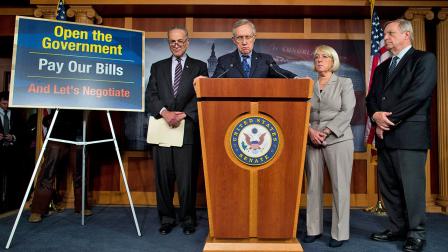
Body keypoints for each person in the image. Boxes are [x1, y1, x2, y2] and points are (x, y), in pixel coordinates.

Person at [366, 19, 436, 252]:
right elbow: (371, 98)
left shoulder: (424, 59)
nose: (385, 37)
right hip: (384, 136)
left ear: (406, 35)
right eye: (385, 33)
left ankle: (416, 233)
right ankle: (397, 228)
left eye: (390, 33)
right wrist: (375, 115)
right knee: (390, 187)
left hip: (408, 135)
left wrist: (388, 120)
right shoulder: (382, 67)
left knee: (411, 187)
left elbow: (418, 94)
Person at [146, 26, 208, 235]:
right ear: (168, 43)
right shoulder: (157, 67)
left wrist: (182, 114)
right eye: (172, 41)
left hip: (187, 129)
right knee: (163, 179)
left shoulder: (200, 67)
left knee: (186, 179)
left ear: (187, 42)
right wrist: (164, 112)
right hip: (162, 129)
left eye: (180, 41)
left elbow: (202, 96)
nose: (176, 44)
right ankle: (166, 219)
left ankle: (188, 219)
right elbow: (151, 95)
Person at [302, 45, 355, 248]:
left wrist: (327, 131)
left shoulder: (344, 82)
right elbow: (301, 111)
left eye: (324, 56)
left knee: (340, 187)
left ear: (333, 61)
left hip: (338, 140)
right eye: (316, 56)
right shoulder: (308, 85)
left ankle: (340, 233)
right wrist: (309, 131)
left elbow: (347, 110)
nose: (319, 59)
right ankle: (313, 229)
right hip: (312, 139)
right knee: (313, 186)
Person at [28, 110, 93, 223]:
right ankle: (37, 210)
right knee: (48, 170)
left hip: (78, 129)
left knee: (80, 171)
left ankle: (82, 206)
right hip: (58, 128)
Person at [212, 19, 297, 78]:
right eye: (240, 37)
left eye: (248, 37)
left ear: (254, 38)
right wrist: (204, 81)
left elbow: (280, 72)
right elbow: (214, 82)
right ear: (234, 40)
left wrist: (295, 78)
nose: (244, 42)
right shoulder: (224, 61)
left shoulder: (265, 60)